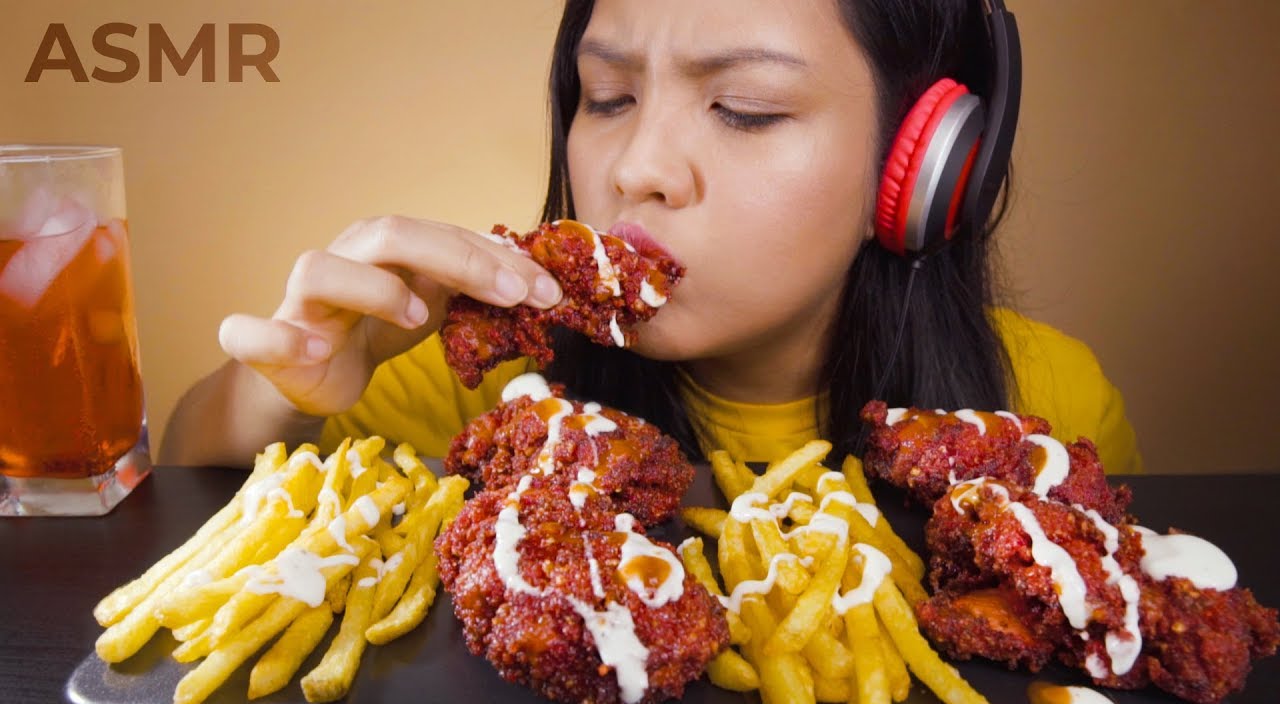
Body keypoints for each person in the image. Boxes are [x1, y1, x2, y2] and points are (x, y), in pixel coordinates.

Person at [161, 0, 1142, 474]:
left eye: (746, 109)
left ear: (922, 168)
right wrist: (273, 390)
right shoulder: (466, 382)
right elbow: (183, 483)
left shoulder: (1047, 408)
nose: (636, 167)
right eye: (608, 97)